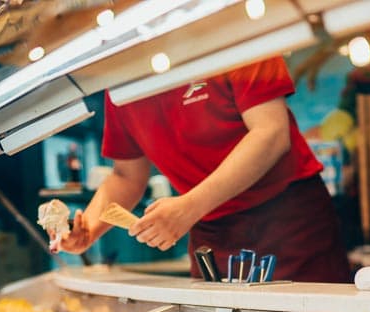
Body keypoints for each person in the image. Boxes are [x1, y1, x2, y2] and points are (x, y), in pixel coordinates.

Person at [57, 56, 351, 283]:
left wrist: (189, 207)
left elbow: (271, 133)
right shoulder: (121, 87)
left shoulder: (225, 27)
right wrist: (88, 230)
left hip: (288, 216)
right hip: (210, 232)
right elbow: (126, 175)